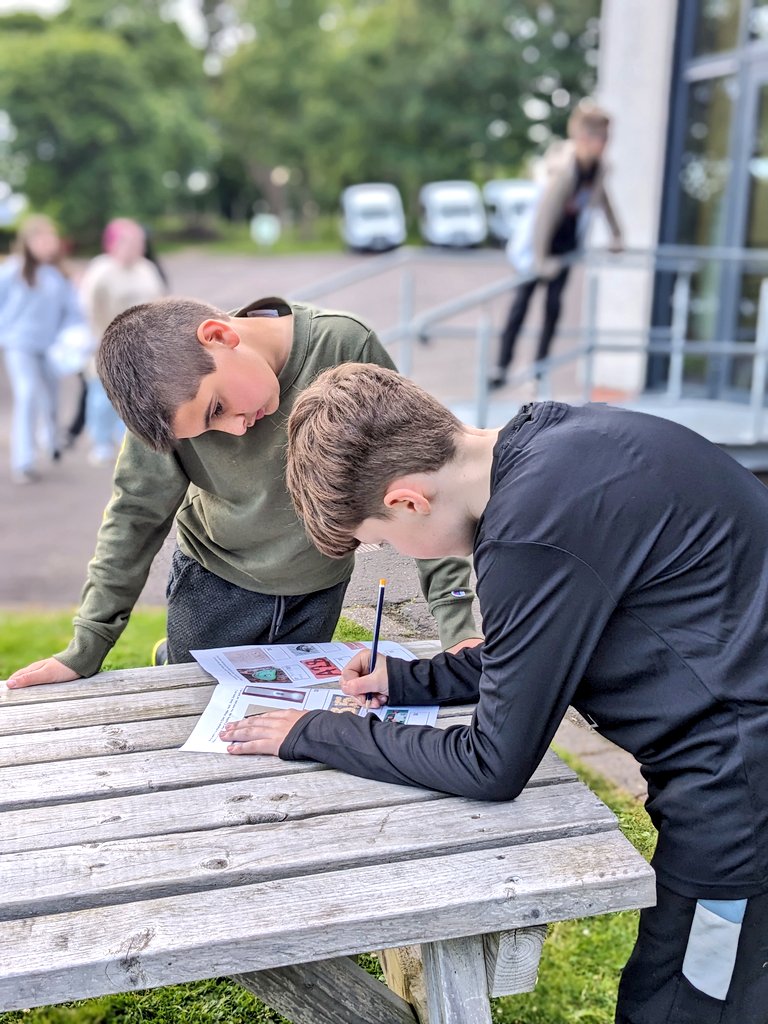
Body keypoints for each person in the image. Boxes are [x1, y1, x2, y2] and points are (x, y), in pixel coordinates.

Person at [223, 363, 768, 1023]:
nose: (400, 552)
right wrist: (408, 680)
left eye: (384, 542)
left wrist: (314, 732)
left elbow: (492, 764)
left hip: (741, 791)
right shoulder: (555, 447)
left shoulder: (527, 537)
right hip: (739, 751)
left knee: (685, 1002)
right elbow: (543, 642)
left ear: (407, 501)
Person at [6, 298, 479, 689]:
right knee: (198, 713)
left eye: (217, 406)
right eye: (207, 427)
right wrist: (87, 646)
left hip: (317, 589)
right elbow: (135, 516)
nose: (231, 430)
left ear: (220, 336)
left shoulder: (346, 345)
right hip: (213, 586)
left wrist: (457, 627)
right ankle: (171, 654)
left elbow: (419, 481)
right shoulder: (164, 405)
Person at [490, 102, 624, 390]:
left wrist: (617, 234)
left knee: (553, 307)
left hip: (565, 243)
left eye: (606, 138)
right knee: (521, 304)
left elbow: (603, 200)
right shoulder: (565, 171)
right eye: (600, 138)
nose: (604, 144)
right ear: (584, 138)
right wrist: (539, 261)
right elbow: (544, 218)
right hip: (539, 245)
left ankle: (539, 369)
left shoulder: (598, 169)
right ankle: (501, 366)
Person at [0, 214, 85, 483]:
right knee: (26, 394)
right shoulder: (12, 271)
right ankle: (22, 461)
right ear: (28, 242)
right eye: (42, 238)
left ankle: (51, 443)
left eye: (51, 238)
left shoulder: (59, 275)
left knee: (51, 398)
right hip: (19, 345)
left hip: (50, 347)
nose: (48, 243)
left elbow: (73, 314)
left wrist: (71, 340)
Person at [79, 219, 165, 465]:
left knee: (136, 395)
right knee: (102, 394)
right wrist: (98, 338)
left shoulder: (146, 268)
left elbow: (158, 301)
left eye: (141, 241)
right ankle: (101, 440)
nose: (140, 246)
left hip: (141, 342)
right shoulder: (100, 270)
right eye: (134, 241)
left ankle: (127, 439)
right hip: (106, 339)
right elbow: (89, 307)